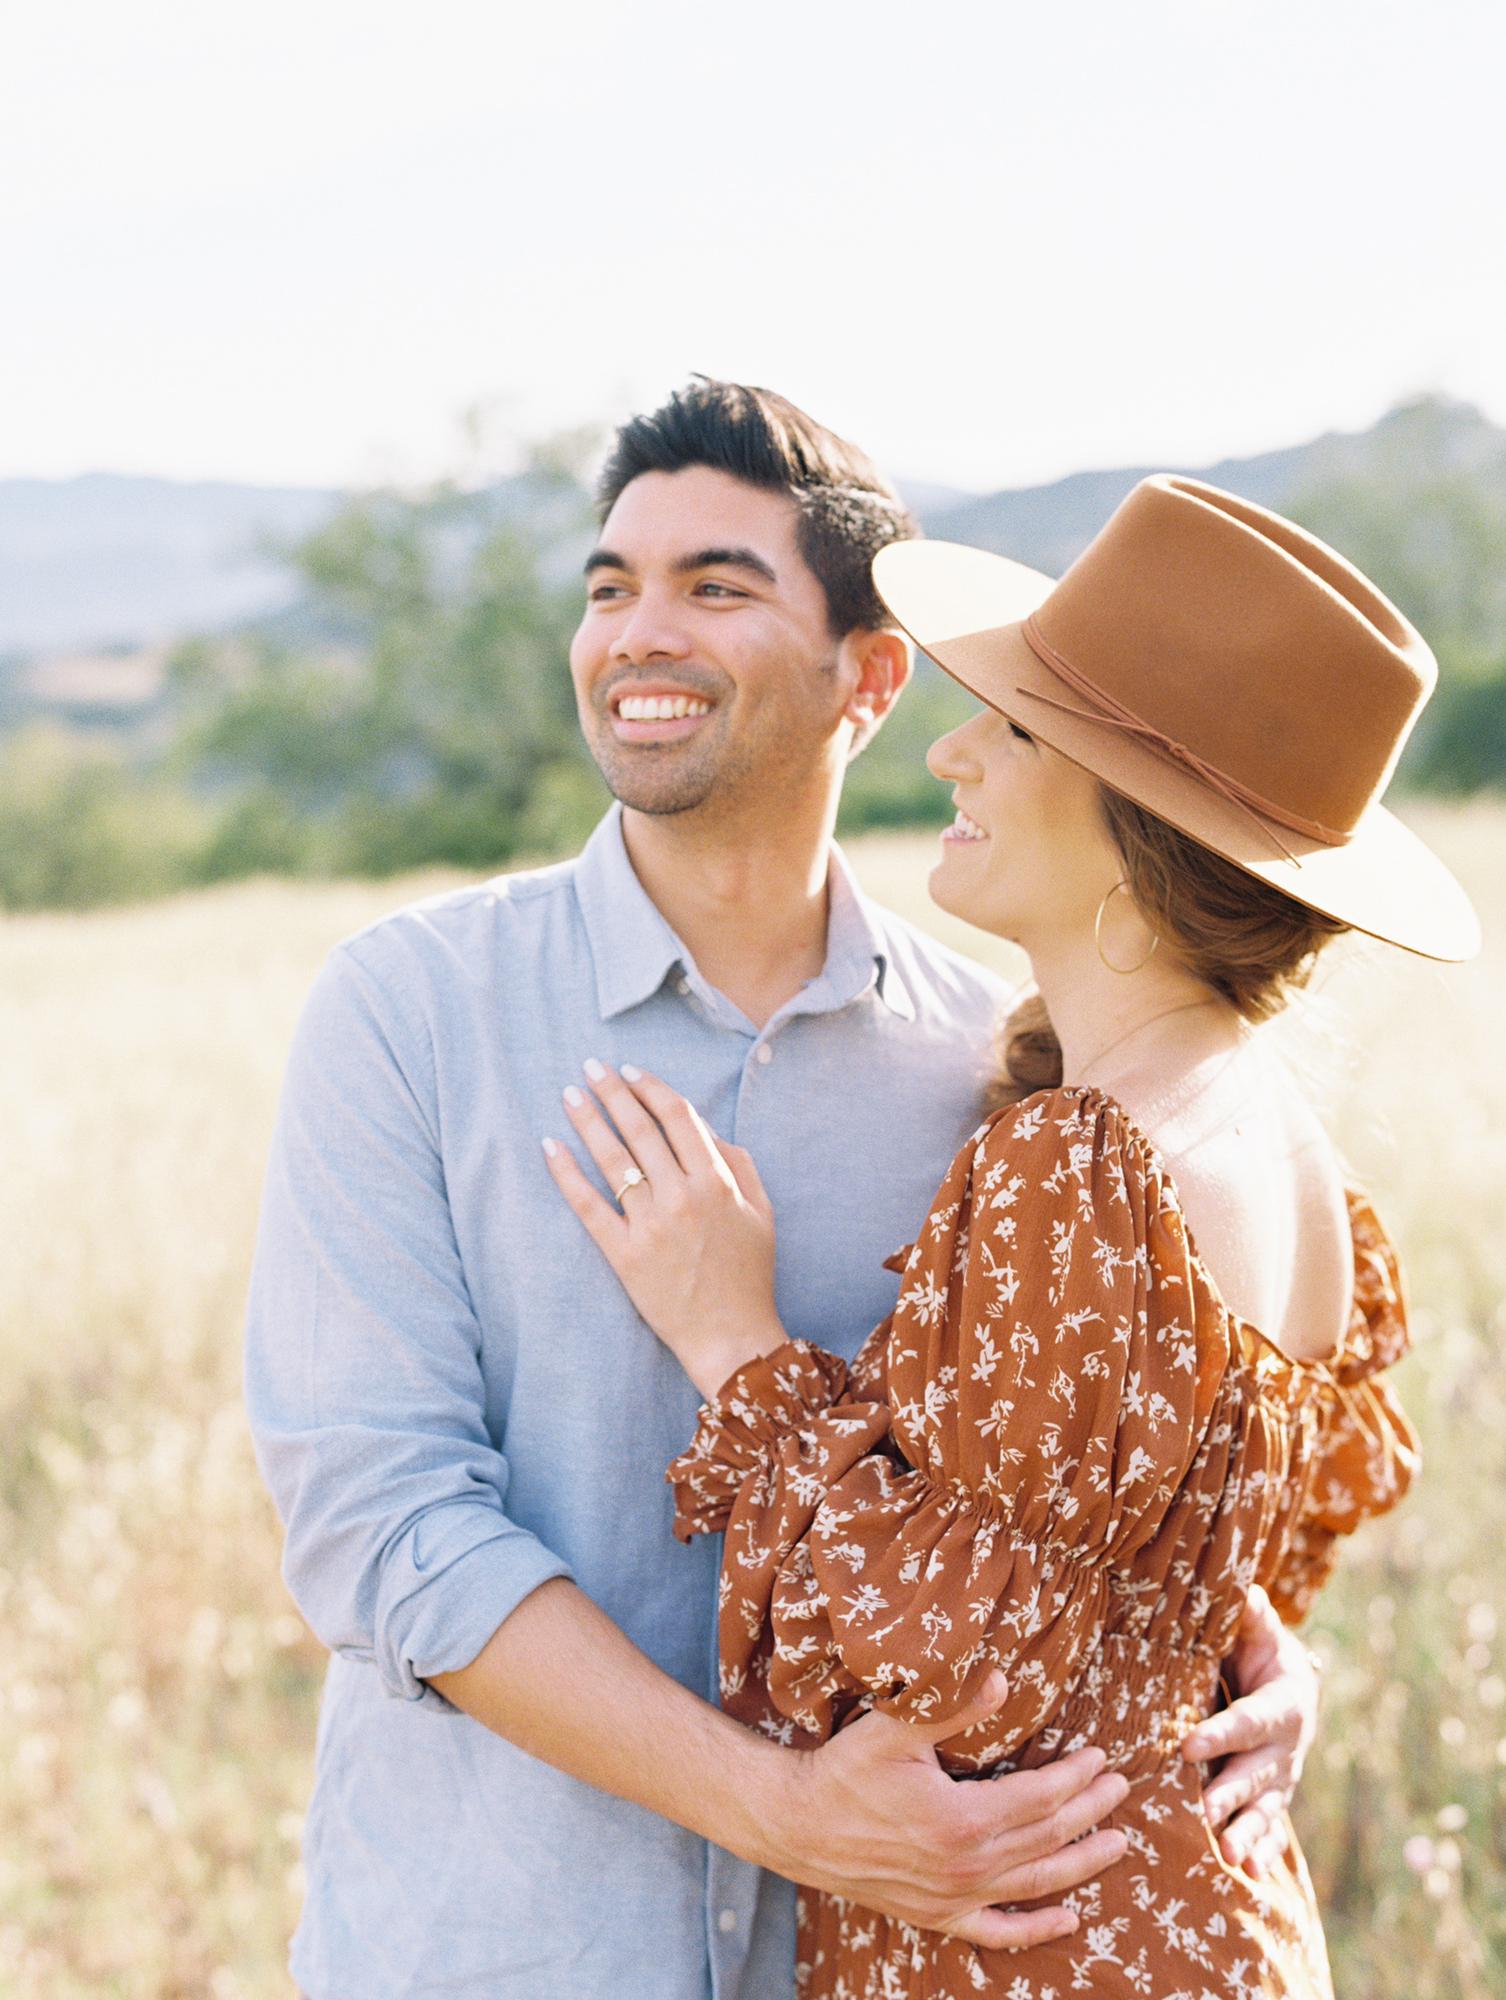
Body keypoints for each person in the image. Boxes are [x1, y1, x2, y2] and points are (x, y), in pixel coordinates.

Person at [245, 386, 1323, 2000]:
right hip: (504, 1956)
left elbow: (1084, 1490)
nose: (637, 633)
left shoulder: (997, 1074)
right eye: (610, 586)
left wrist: (1220, 1649)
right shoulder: (409, 1011)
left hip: (887, 1960)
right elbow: (377, 1521)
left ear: (868, 679)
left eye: (714, 586)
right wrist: (781, 1813)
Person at [541, 470, 1480, 1997]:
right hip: (1198, 1910)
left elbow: (951, 1657)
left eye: (1016, 728)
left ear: (1139, 827)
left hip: (1047, 1934)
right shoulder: (1281, 1143)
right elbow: (1204, 1559)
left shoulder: (1082, 1164)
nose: (952, 749)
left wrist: (733, 1342)